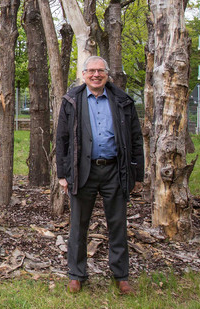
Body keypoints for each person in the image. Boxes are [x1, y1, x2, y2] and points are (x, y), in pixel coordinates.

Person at [56, 56, 144, 295]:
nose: (96, 75)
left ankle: (121, 276)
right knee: (78, 226)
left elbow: (135, 138)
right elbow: (62, 139)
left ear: (107, 74)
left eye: (100, 71)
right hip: (82, 170)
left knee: (117, 225)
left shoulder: (122, 100)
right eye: (91, 71)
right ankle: (76, 274)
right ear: (84, 75)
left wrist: (137, 174)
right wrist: (62, 174)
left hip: (115, 170)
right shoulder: (72, 100)